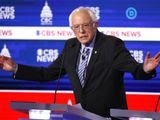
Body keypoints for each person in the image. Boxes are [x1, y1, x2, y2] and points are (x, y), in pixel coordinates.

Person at [0, 7, 160, 118]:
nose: (81, 31)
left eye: (85, 25)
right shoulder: (70, 46)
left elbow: (133, 68)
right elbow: (47, 74)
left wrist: (145, 69)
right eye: (76, 27)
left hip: (109, 117)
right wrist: (15, 68)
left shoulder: (111, 45)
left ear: (95, 25)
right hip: (81, 117)